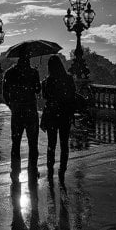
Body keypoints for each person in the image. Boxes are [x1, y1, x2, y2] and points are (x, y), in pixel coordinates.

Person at [3, 52, 41, 184]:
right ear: (28, 61)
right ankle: (32, 169)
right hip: (31, 111)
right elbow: (38, 90)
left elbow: (5, 93)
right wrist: (36, 74)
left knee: (16, 143)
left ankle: (15, 171)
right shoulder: (33, 73)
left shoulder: (9, 73)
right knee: (33, 143)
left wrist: (12, 105)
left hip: (17, 112)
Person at [41, 55, 76, 184]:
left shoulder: (48, 81)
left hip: (51, 114)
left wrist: (45, 83)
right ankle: (62, 169)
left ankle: (50, 168)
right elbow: (72, 96)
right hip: (65, 114)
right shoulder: (68, 79)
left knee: (51, 143)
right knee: (64, 144)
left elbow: (44, 96)